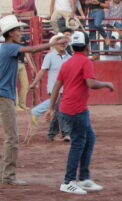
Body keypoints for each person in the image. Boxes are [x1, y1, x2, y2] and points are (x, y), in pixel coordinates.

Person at [0, 15, 68, 186]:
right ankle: (8, 176)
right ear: (10, 34)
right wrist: (52, 43)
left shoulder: (5, 49)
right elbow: (32, 49)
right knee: (12, 138)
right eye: (17, 30)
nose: (20, 32)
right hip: (4, 97)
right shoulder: (9, 48)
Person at [45, 31, 114, 194]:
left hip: (71, 107)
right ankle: (68, 181)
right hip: (76, 108)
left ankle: (83, 178)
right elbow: (91, 83)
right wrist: (106, 84)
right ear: (87, 47)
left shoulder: (68, 62)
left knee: (89, 138)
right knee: (79, 142)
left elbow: (56, 86)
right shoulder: (85, 62)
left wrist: (51, 108)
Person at [29, 33, 71, 141]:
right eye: (60, 42)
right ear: (55, 44)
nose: (63, 44)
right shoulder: (49, 56)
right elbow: (42, 71)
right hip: (54, 88)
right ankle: (66, 133)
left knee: (58, 111)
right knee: (61, 109)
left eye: (64, 42)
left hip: (66, 89)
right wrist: (34, 83)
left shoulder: (70, 57)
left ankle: (52, 134)